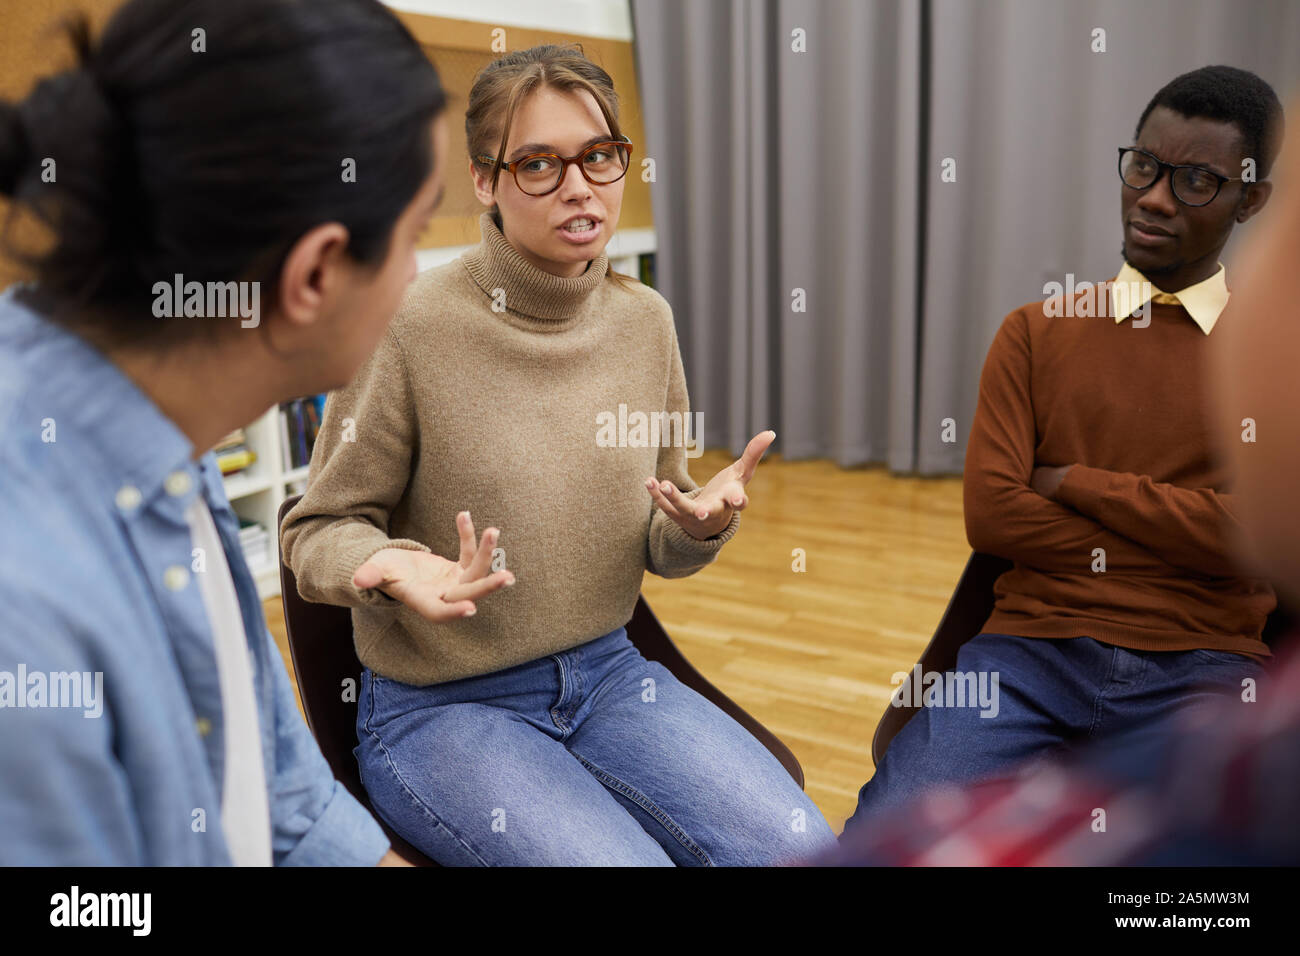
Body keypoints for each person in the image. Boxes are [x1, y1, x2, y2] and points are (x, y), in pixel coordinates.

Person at [280, 44, 836, 866]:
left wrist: (697, 524)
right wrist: (392, 565)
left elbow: (659, 538)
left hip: (612, 675)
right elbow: (315, 530)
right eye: (538, 163)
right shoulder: (411, 325)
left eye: (600, 157)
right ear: (484, 180)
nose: (579, 187)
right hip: (441, 710)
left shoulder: (645, 320)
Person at [0, 0, 449, 865]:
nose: (415, 274)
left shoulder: (164, 423)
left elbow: (283, 803)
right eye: (413, 235)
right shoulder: (29, 608)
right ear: (315, 272)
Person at [822, 109, 1300, 866]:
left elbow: (1261, 539)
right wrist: (1190, 539)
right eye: (1143, 166)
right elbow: (996, 519)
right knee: (884, 839)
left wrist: (1078, 482)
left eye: (1196, 180)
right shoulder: (1035, 331)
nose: (1154, 197)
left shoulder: (1269, 350)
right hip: (1027, 654)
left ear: (1251, 200)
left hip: (1205, 666)